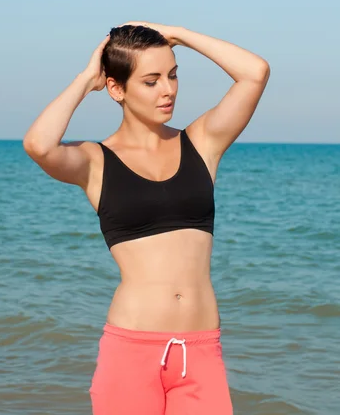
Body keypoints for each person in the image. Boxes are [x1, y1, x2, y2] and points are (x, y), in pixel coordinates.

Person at [23, 22, 270, 415]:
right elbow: (38, 144)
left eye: (172, 75)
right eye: (151, 80)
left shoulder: (201, 143)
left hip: (201, 351)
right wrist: (87, 79)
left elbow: (254, 72)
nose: (168, 90)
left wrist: (179, 34)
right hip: (131, 350)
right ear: (117, 88)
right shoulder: (95, 162)